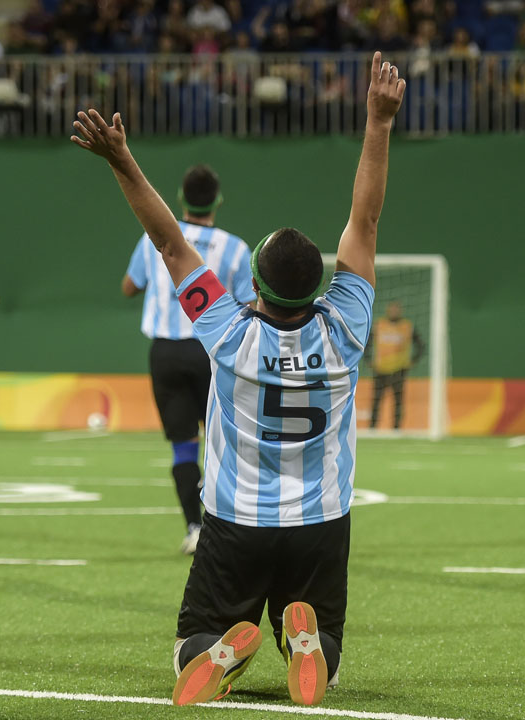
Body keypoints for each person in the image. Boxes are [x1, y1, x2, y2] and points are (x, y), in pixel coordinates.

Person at [72, 51, 405, 707]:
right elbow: (364, 222)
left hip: (234, 519)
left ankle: (221, 647)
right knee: (331, 662)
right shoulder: (347, 330)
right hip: (321, 520)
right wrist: (378, 120)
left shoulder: (225, 331)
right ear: (323, 285)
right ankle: (304, 642)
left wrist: (120, 159)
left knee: (187, 644)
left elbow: (170, 243)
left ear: (251, 282)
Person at [122, 164, 255, 555]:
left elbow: (129, 287)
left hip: (165, 353)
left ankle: (194, 529)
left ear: (180, 198)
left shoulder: (154, 239)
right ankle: (230, 526)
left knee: (183, 447)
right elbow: (249, 302)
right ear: (218, 200)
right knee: (224, 444)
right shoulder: (234, 247)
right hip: (212, 352)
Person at [366, 301, 425, 430]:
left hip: (399, 369)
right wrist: (368, 360)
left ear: (400, 311)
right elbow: (367, 343)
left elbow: (421, 345)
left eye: (396, 309)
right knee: (376, 400)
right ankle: (372, 428)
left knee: (398, 401)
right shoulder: (379, 325)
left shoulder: (407, 326)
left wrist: (413, 360)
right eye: (391, 309)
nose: (393, 312)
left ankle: (396, 428)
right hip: (381, 369)